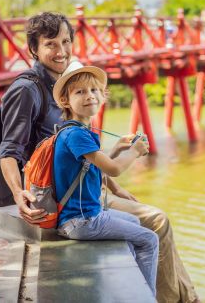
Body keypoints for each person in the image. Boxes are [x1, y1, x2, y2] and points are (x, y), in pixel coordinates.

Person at [0, 12, 200, 303]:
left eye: (66, 41)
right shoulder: (27, 90)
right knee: (156, 221)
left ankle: (178, 296)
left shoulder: (72, 87)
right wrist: (19, 195)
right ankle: (172, 299)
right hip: (59, 197)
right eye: (51, 44)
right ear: (34, 50)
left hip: (79, 188)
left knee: (146, 218)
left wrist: (115, 188)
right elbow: (9, 151)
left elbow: (86, 158)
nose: (61, 51)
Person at [52, 61, 158, 296]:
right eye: (80, 92)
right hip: (82, 221)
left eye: (94, 90)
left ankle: (133, 285)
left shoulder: (73, 130)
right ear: (66, 101)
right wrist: (135, 152)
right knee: (150, 239)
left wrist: (118, 150)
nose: (89, 96)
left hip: (81, 217)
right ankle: (147, 296)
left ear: (102, 95)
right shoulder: (77, 134)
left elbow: (89, 169)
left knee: (135, 223)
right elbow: (113, 170)